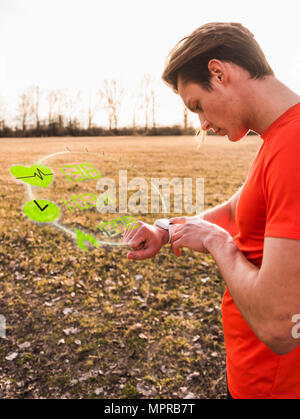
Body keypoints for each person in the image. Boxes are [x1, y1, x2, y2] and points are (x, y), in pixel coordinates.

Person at [122, 22, 300, 399]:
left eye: (197, 105)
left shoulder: (293, 147)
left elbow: (279, 326)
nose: (202, 123)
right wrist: (166, 230)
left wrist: (219, 244)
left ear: (219, 73)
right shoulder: (280, 139)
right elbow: (238, 212)